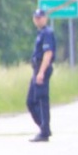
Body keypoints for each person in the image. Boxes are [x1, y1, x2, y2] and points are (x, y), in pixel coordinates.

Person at [27, 9, 56, 142]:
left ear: (45, 18)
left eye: (40, 17)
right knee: (31, 101)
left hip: (42, 68)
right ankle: (44, 129)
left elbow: (48, 53)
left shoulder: (47, 33)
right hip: (37, 68)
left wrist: (41, 72)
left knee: (41, 100)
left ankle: (44, 131)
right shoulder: (40, 33)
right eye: (36, 18)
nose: (38, 20)